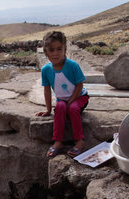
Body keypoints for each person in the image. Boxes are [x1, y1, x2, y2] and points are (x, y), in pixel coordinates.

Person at [35, 30, 90, 158]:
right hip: (62, 100)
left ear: (65, 49)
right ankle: (58, 142)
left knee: (73, 108)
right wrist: (48, 110)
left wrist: (70, 101)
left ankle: (79, 141)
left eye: (59, 49)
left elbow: (79, 85)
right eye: (52, 50)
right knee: (59, 107)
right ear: (46, 53)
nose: (56, 53)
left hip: (79, 96)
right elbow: (47, 89)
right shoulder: (46, 70)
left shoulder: (72, 66)